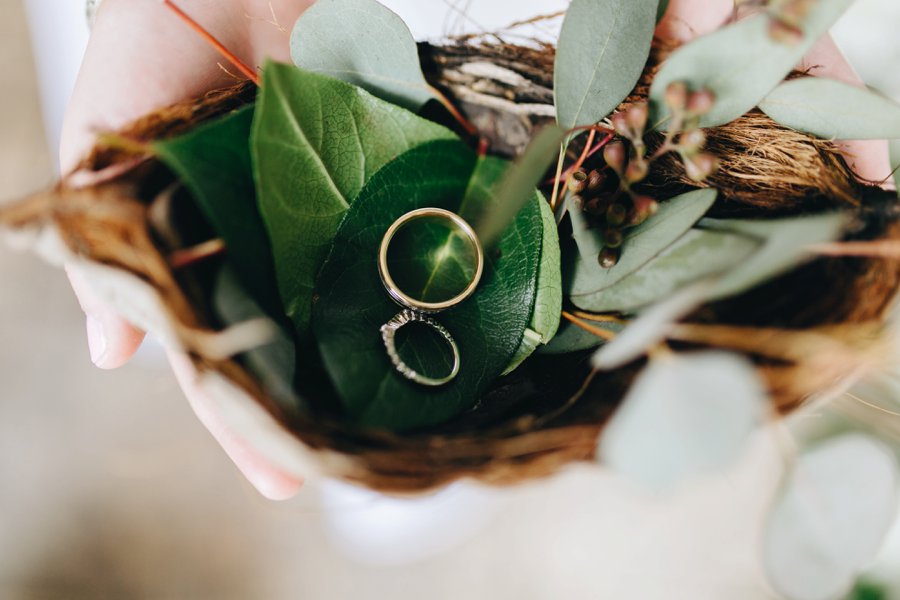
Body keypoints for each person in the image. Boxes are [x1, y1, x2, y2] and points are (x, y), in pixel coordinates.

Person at [61, 0, 892, 500]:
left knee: (420, 440)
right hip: (378, 76)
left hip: (533, 85)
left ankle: (411, 465)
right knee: (244, 338)